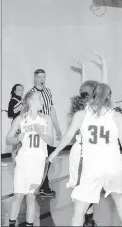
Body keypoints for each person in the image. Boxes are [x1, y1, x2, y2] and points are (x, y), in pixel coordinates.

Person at [49, 83, 122, 226]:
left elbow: (68, 136)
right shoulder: (117, 116)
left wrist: (55, 152)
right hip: (113, 165)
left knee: (79, 210)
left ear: (93, 95)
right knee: (120, 200)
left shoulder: (81, 114)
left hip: (92, 167)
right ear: (110, 97)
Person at [67, 53, 107, 227]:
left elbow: (88, 88)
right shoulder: (94, 108)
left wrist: (84, 69)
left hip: (86, 153)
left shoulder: (84, 107)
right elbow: (101, 85)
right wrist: (104, 64)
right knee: (87, 191)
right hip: (86, 155)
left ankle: (87, 221)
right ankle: (85, 221)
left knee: (88, 191)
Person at [6, 89, 53, 227]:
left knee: (31, 198)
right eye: (39, 97)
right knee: (18, 196)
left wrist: (41, 133)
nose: (42, 100)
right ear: (30, 101)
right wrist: (16, 139)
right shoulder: (21, 119)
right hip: (22, 163)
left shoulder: (46, 119)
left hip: (38, 164)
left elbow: (50, 141)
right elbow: (8, 139)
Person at [30, 69, 62, 197]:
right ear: (35, 78)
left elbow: (52, 110)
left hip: (48, 124)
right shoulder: (31, 93)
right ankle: (43, 185)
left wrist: (58, 128)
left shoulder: (48, 91)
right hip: (38, 125)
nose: (42, 79)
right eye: (39, 77)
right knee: (40, 157)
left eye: (44, 77)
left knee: (48, 155)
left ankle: (42, 184)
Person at [8, 84, 24, 165]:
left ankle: (21, 163)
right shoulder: (13, 100)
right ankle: (15, 164)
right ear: (15, 91)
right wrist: (18, 108)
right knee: (15, 146)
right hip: (16, 126)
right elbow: (10, 114)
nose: (21, 91)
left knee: (22, 145)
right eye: (19, 90)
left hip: (23, 125)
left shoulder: (23, 100)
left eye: (22, 89)